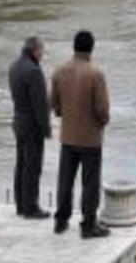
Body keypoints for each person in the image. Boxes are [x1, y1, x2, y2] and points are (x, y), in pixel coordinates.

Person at [51, 30, 111, 238]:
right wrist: (103, 122)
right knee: (90, 183)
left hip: (68, 135)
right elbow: (101, 108)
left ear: (73, 47)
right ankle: (88, 225)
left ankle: (60, 220)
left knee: (65, 180)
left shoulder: (60, 71)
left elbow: (54, 104)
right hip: (90, 138)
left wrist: (64, 115)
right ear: (91, 48)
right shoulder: (96, 73)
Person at [9, 37, 51, 219]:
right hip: (32, 124)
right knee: (32, 166)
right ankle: (31, 207)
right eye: (42, 51)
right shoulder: (34, 71)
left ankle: (20, 205)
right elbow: (40, 104)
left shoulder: (15, 66)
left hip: (18, 121)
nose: (43, 54)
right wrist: (46, 127)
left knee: (21, 164)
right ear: (35, 51)